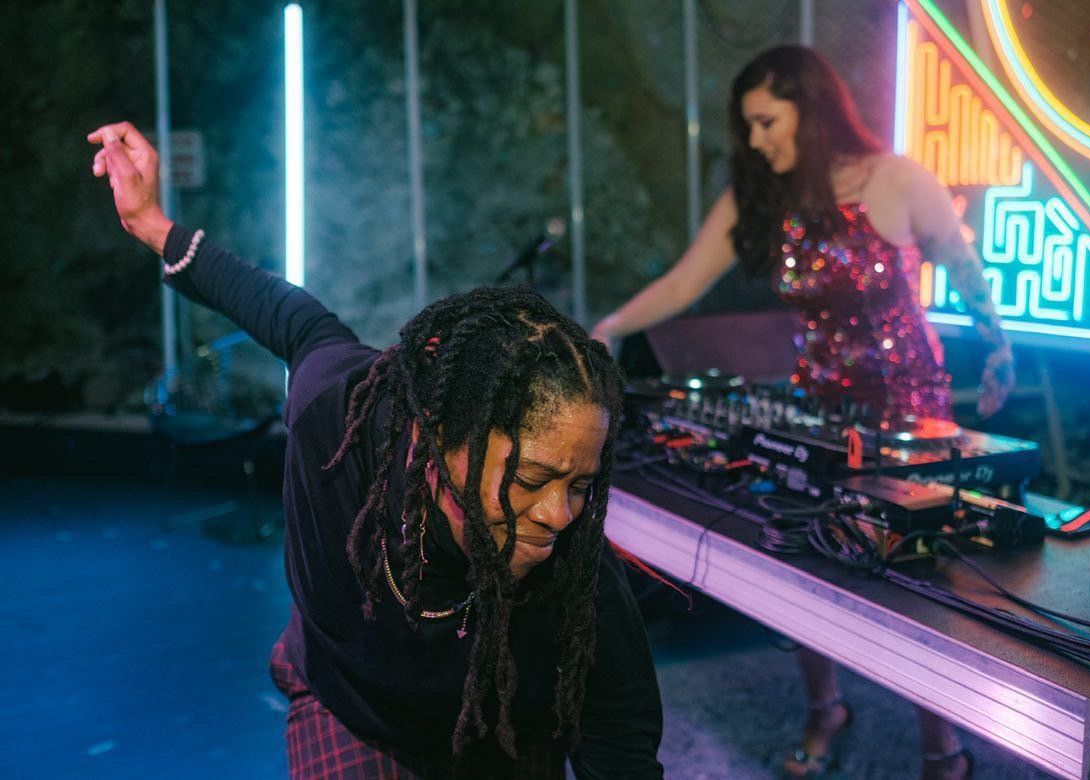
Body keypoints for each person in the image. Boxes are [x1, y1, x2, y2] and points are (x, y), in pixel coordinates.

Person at [90, 121, 664, 779]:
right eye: (531, 478)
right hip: (354, 708)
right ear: (440, 439)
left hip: (501, 721)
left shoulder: (573, 556)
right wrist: (153, 226)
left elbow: (618, 729)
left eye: (581, 485)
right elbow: (291, 317)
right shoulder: (339, 421)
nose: (560, 514)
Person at [592, 46, 1014, 779]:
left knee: (920, 572)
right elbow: (685, 281)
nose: (755, 140)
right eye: (748, 126)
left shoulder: (896, 178)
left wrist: (998, 346)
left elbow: (961, 262)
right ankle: (825, 709)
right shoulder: (762, 195)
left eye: (766, 121)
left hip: (910, 404)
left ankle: (940, 745)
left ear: (809, 110)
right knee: (807, 558)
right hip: (818, 405)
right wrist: (611, 326)